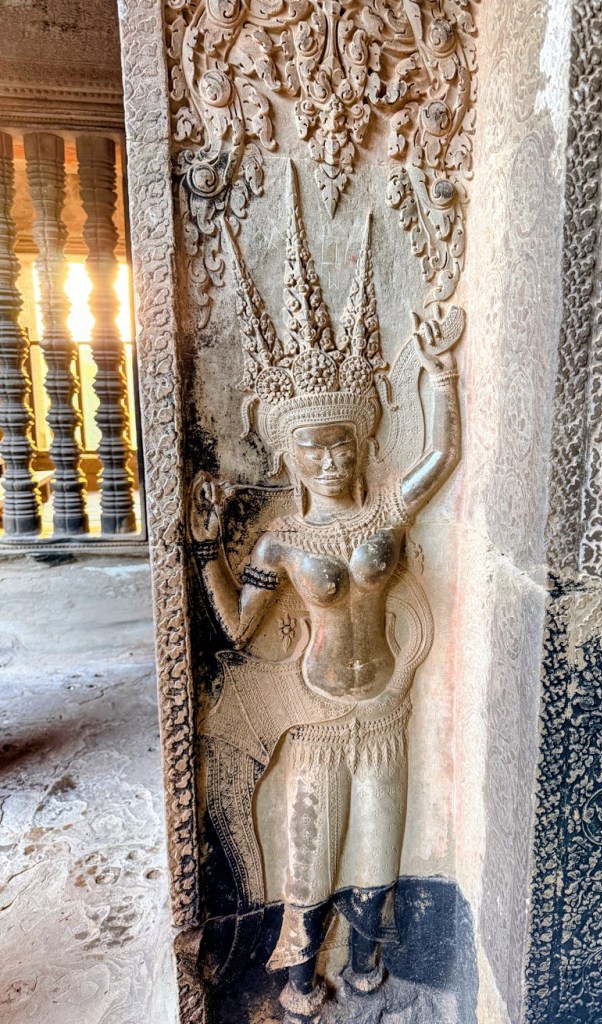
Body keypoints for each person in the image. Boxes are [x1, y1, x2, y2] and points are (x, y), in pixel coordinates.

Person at [189, 186, 462, 1023]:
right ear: (292, 457)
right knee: (309, 864)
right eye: (314, 448)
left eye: (343, 445)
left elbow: (442, 456)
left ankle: (369, 968)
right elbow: (239, 628)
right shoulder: (280, 544)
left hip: (384, 710)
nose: (333, 459)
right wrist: (205, 553)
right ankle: (299, 983)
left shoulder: (384, 514)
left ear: (360, 443)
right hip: (314, 718)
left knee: (376, 862)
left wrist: (441, 371)